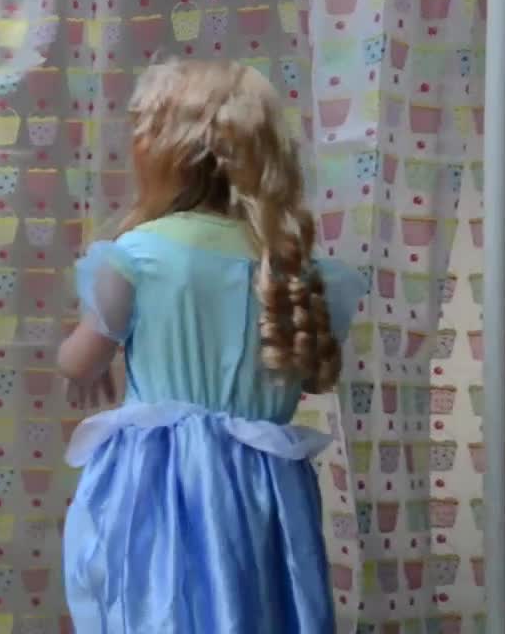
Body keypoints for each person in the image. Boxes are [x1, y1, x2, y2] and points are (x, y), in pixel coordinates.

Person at [56, 59, 365, 633]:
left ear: (165, 154)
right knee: (257, 609)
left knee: (159, 607)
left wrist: (83, 357)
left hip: (162, 484)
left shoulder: (140, 254)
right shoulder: (288, 266)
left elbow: (78, 359)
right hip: (263, 488)